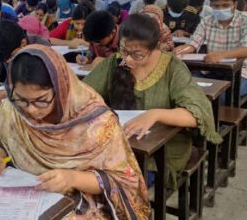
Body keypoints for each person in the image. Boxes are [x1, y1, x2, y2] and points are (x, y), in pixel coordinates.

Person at [0, 44, 150, 219]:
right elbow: (1, 138)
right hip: (27, 195)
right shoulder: (14, 110)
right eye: (21, 100)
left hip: (83, 198)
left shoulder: (96, 122)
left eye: (41, 100)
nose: (30, 110)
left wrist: (72, 179)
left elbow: (124, 181)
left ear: (60, 88)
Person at [84, 14, 220, 190]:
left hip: (163, 151)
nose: (129, 60)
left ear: (156, 47)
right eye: (124, 50)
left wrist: (154, 115)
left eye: (138, 55)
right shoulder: (116, 62)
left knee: (122, 186)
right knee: (88, 178)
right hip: (118, 144)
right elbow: (82, 94)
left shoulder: (172, 68)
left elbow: (198, 112)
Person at [174, 0, 247, 97]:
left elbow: (245, 49)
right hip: (211, 70)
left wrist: (222, 55)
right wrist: (183, 49)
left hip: (241, 72)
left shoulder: (244, 20)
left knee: (222, 96)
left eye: (225, 5)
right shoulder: (207, 20)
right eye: (216, 6)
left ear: (235, 4)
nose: (220, 9)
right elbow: (194, 42)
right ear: (211, 5)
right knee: (184, 89)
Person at [0, 19, 50, 83]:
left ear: (23, 43)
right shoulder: (1, 49)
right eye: (5, 61)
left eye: (11, 56)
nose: (8, 62)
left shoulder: (42, 49)